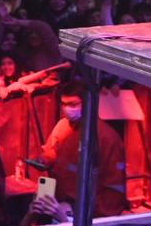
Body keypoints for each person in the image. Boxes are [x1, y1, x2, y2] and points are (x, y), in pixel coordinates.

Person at [36, 86, 127, 218]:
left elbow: (112, 189)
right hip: (57, 202)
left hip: (86, 210)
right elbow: (50, 156)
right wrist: (44, 160)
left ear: (88, 103)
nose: (67, 108)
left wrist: (77, 209)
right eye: (64, 104)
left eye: (72, 104)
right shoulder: (62, 126)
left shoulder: (106, 137)